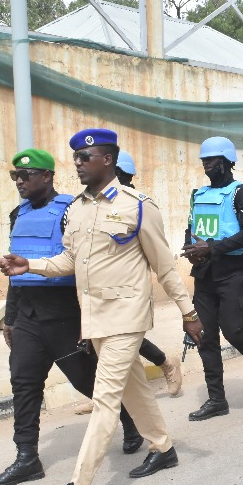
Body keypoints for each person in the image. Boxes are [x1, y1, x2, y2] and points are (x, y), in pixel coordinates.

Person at [0, 128, 204, 485]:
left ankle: (78, 484)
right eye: (75, 159)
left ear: (107, 160)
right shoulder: (78, 209)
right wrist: (30, 265)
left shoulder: (138, 205)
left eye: (85, 159)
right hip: (95, 318)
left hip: (127, 315)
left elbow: (165, 267)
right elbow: (69, 262)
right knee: (134, 389)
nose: (78, 165)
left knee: (105, 398)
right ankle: (164, 448)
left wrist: (188, 313)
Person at [0, 148, 146, 485]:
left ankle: (131, 421)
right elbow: (15, 270)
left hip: (63, 314)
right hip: (28, 315)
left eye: (26, 176)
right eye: (16, 176)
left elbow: (84, 265)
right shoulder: (18, 214)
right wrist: (10, 318)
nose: (19, 181)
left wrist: (88, 321)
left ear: (47, 176)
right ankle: (27, 458)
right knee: (24, 384)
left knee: (87, 381)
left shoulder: (71, 211)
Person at [70, 148, 183, 415]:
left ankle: (164, 365)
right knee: (109, 352)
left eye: (121, 175)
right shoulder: (86, 206)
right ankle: (109, 398)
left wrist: (187, 311)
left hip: (127, 298)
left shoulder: (136, 206)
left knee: (123, 346)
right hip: (96, 295)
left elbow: (161, 262)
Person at [179, 136, 243, 420]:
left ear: (226, 162)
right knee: (204, 336)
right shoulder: (198, 195)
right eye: (203, 161)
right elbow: (191, 227)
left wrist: (210, 247)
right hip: (204, 274)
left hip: (232, 272)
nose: (206, 165)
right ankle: (216, 399)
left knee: (234, 331)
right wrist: (192, 249)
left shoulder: (242, 194)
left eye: (210, 160)